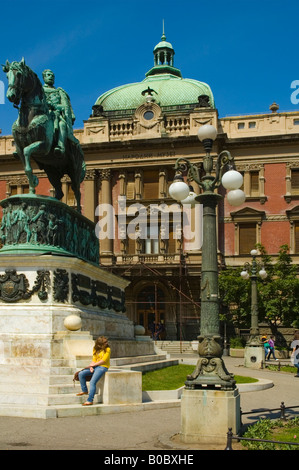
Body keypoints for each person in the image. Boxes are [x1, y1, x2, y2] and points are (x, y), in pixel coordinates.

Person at [76, 336, 111, 405]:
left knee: (92, 382)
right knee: (81, 374)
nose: (107, 343)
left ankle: (90, 400)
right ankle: (84, 390)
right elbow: (94, 360)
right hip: (95, 366)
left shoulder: (107, 349)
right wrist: (91, 366)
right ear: (99, 344)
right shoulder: (95, 349)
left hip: (103, 367)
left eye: (107, 342)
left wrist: (93, 366)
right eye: (105, 342)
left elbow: (103, 361)